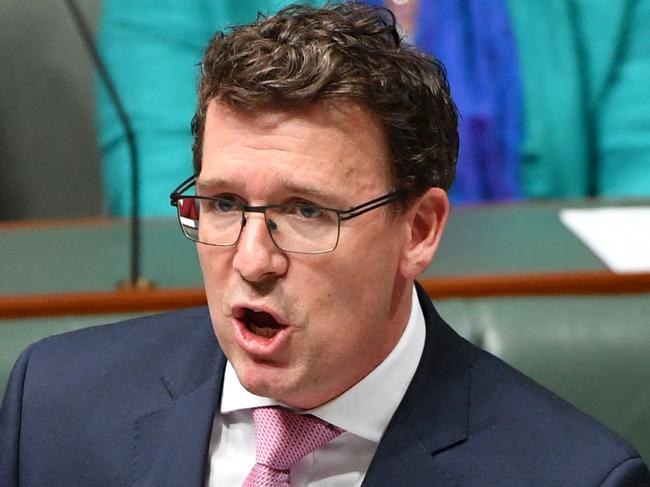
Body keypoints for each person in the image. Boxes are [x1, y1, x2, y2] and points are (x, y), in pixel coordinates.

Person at [1, 3, 649, 486]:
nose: (253, 261)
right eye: (225, 203)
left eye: (306, 211)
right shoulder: (54, 407)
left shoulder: (571, 475)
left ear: (418, 230)